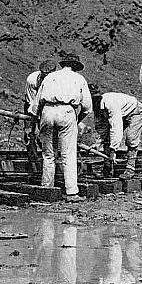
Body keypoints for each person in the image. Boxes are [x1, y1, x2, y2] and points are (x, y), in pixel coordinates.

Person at [36, 52, 92, 202]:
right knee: (68, 153)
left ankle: (47, 188)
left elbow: (37, 104)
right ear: (75, 67)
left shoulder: (50, 77)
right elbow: (87, 106)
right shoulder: (79, 79)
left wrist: (39, 119)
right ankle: (72, 192)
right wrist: (76, 120)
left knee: (48, 154)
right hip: (67, 111)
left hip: (47, 110)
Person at [91, 86, 142, 180]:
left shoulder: (111, 103)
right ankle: (107, 170)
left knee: (131, 138)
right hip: (123, 113)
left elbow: (116, 127)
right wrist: (98, 142)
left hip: (136, 111)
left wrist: (113, 150)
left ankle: (130, 169)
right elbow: (102, 128)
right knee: (108, 139)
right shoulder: (96, 107)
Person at [23, 59, 57, 175]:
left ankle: (49, 162)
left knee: (47, 135)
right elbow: (32, 102)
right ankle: (33, 162)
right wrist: (32, 123)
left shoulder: (57, 81)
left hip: (49, 107)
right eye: (43, 75)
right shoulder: (32, 79)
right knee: (29, 134)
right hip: (32, 105)